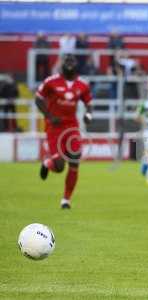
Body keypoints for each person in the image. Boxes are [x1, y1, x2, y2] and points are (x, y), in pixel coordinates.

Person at [35, 54, 93, 209]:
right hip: (54, 127)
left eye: (71, 61)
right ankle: (48, 163)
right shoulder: (51, 81)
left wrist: (88, 115)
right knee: (59, 166)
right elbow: (38, 98)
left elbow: (89, 103)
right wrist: (49, 116)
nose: (69, 64)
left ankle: (66, 200)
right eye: (66, 61)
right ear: (61, 64)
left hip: (72, 127)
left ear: (76, 64)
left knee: (75, 158)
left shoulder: (82, 84)